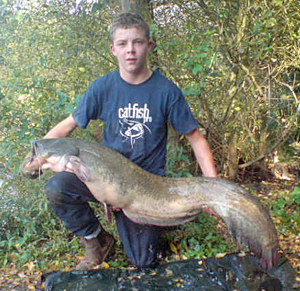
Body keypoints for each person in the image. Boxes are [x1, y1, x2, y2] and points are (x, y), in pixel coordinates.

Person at [37, 12, 218, 270]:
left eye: (138, 42)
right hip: (104, 175)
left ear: (149, 46)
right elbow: (65, 128)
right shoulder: (102, 88)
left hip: (145, 186)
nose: (130, 50)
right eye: (122, 44)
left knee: (144, 262)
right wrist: (40, 151)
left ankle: (152, 225)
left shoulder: (166, 90)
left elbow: (197, 140)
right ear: (113, 49)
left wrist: (213, 186)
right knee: (58, 187)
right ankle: (96, 240)